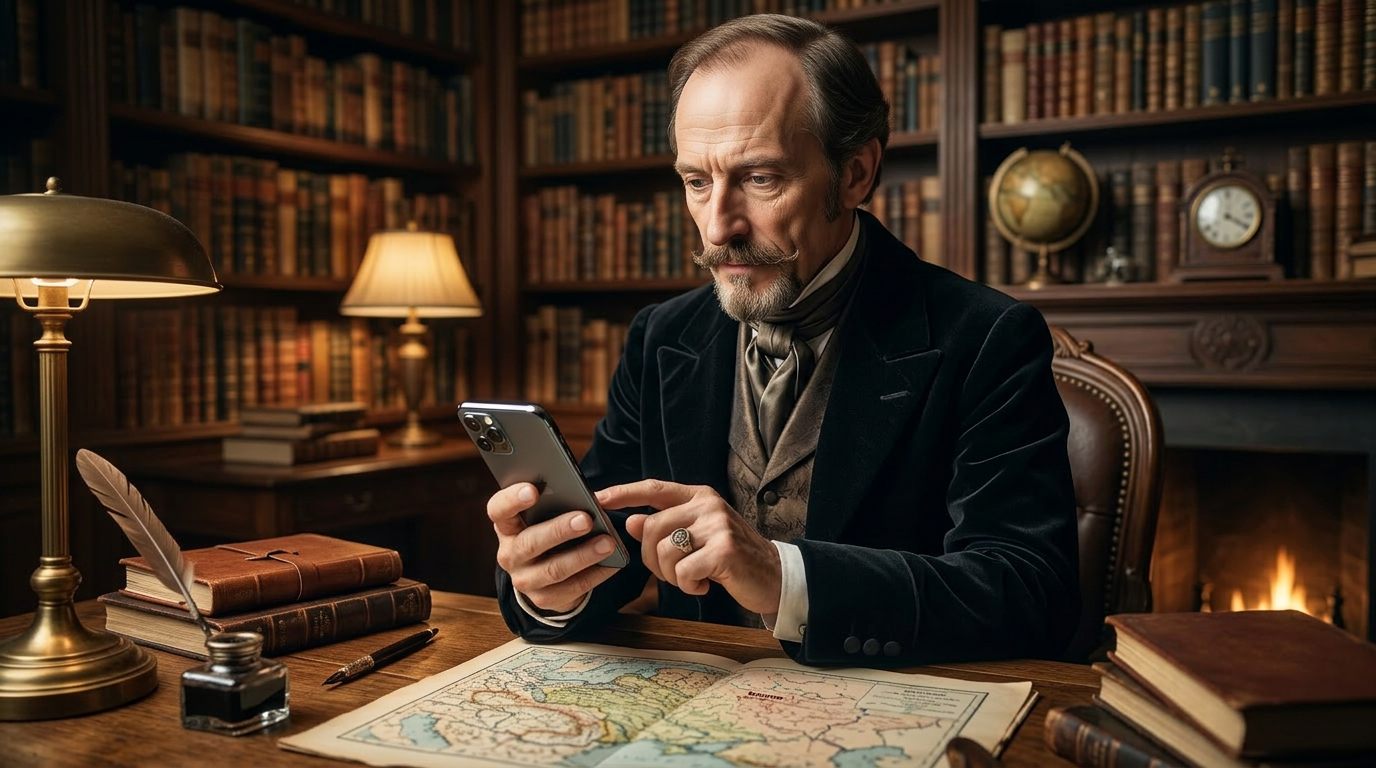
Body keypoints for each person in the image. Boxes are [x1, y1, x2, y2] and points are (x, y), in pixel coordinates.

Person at [489, 13, 1080, 666]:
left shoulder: (988, 337)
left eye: (759, 178)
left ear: (855, 173)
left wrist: (783, 576)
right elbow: (608, 554)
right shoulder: (660, 338)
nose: (718, 227)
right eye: (697, 182)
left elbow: (1032, 595)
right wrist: (551, 585)